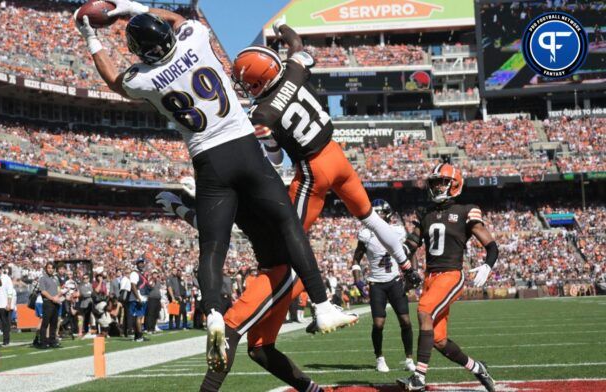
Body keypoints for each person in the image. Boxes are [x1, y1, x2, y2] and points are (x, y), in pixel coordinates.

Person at [74, 0, 355, 368]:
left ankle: (213, 315)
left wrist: (90, 36)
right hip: (243, 149)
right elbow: (178, 20)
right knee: (288, 223)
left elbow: (115, 80)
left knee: (212, 247)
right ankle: (321, 305)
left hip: (208, 163)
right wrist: (129, 6)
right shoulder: (195, 38)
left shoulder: (143, 78)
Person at [231, 21, 419, 298]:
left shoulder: (261, 114)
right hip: (336, 154)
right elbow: (297, 46)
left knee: (289, 241)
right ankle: (407, 267)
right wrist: (284, 29)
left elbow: (276, 157)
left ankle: (311, 301)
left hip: (312, 171)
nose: (246, 88)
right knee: (372, 219)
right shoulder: (294, 70)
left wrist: (267, 143)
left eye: (249, 83)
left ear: (260, 81)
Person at [157, 193, 324, 391]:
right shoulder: (249, 194)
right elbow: (212, 227)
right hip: (279, 271)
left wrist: (179, 208)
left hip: (284, 270)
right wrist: (179, 208)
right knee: (260, 349)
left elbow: (213, 227)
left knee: (227, 328)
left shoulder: (251, 194)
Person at [397, 164, 497, 392]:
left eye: (442, 181)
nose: (437, 186)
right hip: (430, 278)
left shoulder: (466, 211)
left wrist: (487, 266)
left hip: (451, 275)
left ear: (454, 184)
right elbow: (410, 245)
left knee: (424, 310)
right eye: (434, 182)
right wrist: (396, 253)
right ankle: (477, 367)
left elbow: (491, 245)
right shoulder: (425, 213)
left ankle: (419, 378)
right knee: (438, 339)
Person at [352, 199, 415, 373]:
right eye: (376, 212)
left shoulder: (398, 231)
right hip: (376, 283)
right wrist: (357, 279)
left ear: (387, 213)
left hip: (395, 281)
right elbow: (356, 258)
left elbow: (410, 252)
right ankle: (379, 358)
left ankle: (409, 358)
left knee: (405, 321)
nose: (378, 216)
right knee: (378, 324)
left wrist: (411, 273)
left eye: (381, 212)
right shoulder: (366, 234)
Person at [37, 262, 62, 349]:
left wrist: (57, 296)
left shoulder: (56, 278)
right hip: (48, 302)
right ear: (46, 269)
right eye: (49, 268)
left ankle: (52, 341)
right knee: (45, 323)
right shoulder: (43, 278)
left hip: (56, 303)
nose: (50, 269)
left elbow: (59, 290)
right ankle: (43, 342)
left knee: (54, 324)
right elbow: (43, 291)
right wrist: (52, 298)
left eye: (52, 268)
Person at [0, 264, 15, 346]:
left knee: (5, 324)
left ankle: (6, 341)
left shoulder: (6, 278)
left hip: (3, 304)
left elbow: (10, 291)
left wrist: (9, 303)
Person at [129, 259, 149, 342]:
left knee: (140, 317)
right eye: (140, 263)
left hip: (143, 297)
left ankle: (137, 336)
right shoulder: (134, 273)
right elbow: (133, 285)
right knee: (138, 316)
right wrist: (137, 297)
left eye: (142, 263)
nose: (141, 265)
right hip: (138, 298)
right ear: (137, 264)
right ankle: (139, 335)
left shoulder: (141, 274)